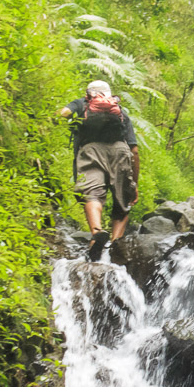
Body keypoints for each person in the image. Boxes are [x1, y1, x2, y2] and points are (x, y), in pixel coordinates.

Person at [59, 80, 140, 258]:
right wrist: (135, 183)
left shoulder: (82, 104)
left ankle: (97, 232)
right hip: (120, 151)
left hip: (90, 150)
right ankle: (114, 246)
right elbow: (134, 150)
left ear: (88, 93)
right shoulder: (120, 113)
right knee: (122, 202)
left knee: (92, 193)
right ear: (109, 95)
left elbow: (63, 114)